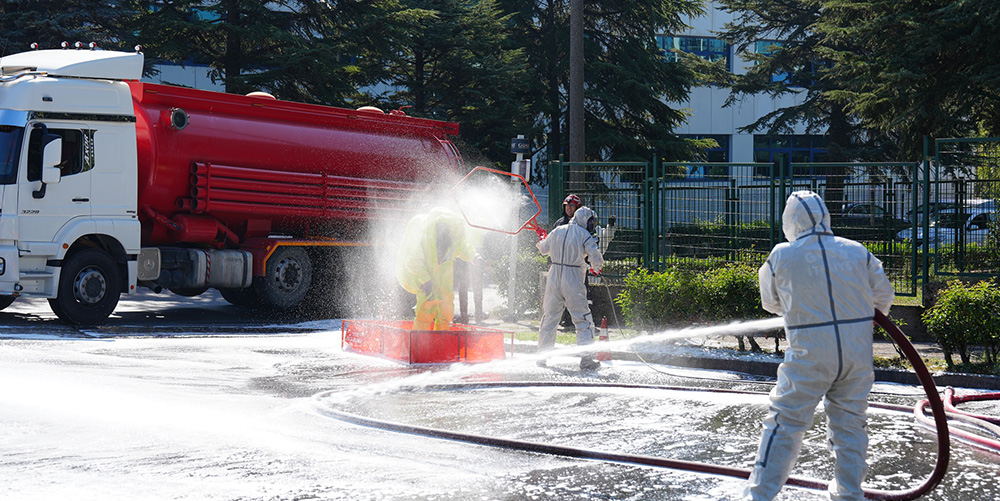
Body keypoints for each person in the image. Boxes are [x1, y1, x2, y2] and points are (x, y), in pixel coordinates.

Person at [743, 190, 895, 501]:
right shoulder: (856, 251)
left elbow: (771, 302)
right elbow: (884, 298)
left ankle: (758, 496)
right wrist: (855, 316)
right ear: (826, 215)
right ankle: (849, 494)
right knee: (851, 425)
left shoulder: (782, 255)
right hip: (856, 354)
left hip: (809, 354)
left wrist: (803, 302)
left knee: (784, 423)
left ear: (790, 221)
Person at [536, 206, 605, 370]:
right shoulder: (584, 235)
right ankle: (587, 359)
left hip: (554, 276)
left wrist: (543, 237)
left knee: (550, 317)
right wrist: (597, 267)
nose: (592, 225)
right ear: (585, 220)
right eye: (591, 222)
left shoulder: (557, 230)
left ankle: (542, 356)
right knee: (582, 318)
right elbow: (595, 255)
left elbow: (543, 249)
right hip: (573, 277)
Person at [396, 208, 479, 331]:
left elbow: (462, 246)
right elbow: (413, 260)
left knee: (445, 315)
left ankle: (441, 343)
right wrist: (425, 280)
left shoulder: (451, 235)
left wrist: (475, 257)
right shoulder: (423, 235)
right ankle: (419, 344)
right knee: (425, 314)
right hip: (427, 284)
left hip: (444, 286)